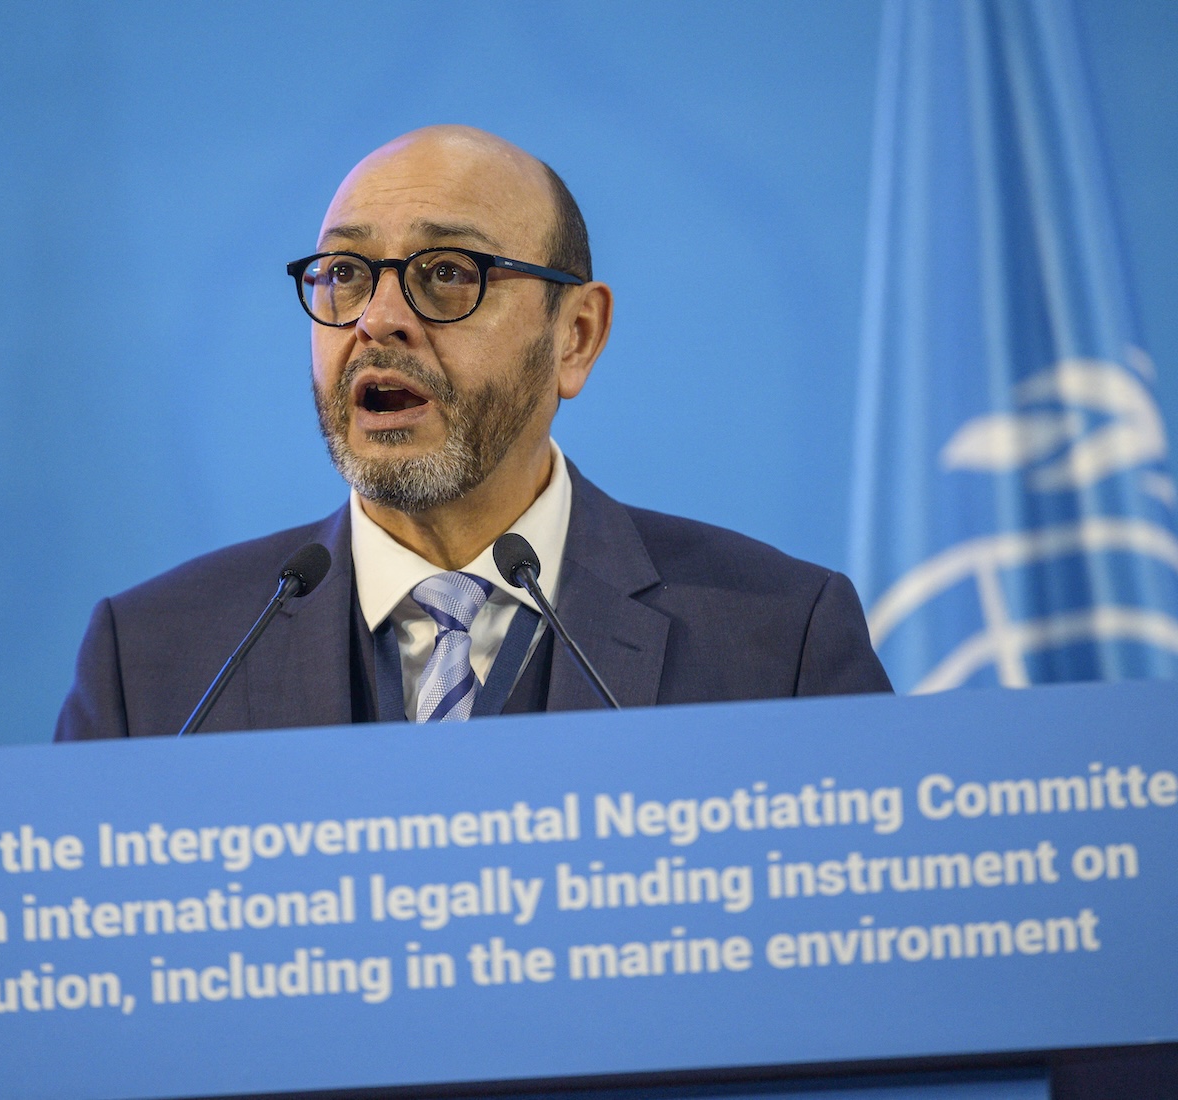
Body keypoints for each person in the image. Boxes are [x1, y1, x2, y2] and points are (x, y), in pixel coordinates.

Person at [56, 125, 890, 742]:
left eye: (448, 273)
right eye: (344, 274)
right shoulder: (156, 664)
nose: (378, 320)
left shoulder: (776, 646)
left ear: (577, 336)